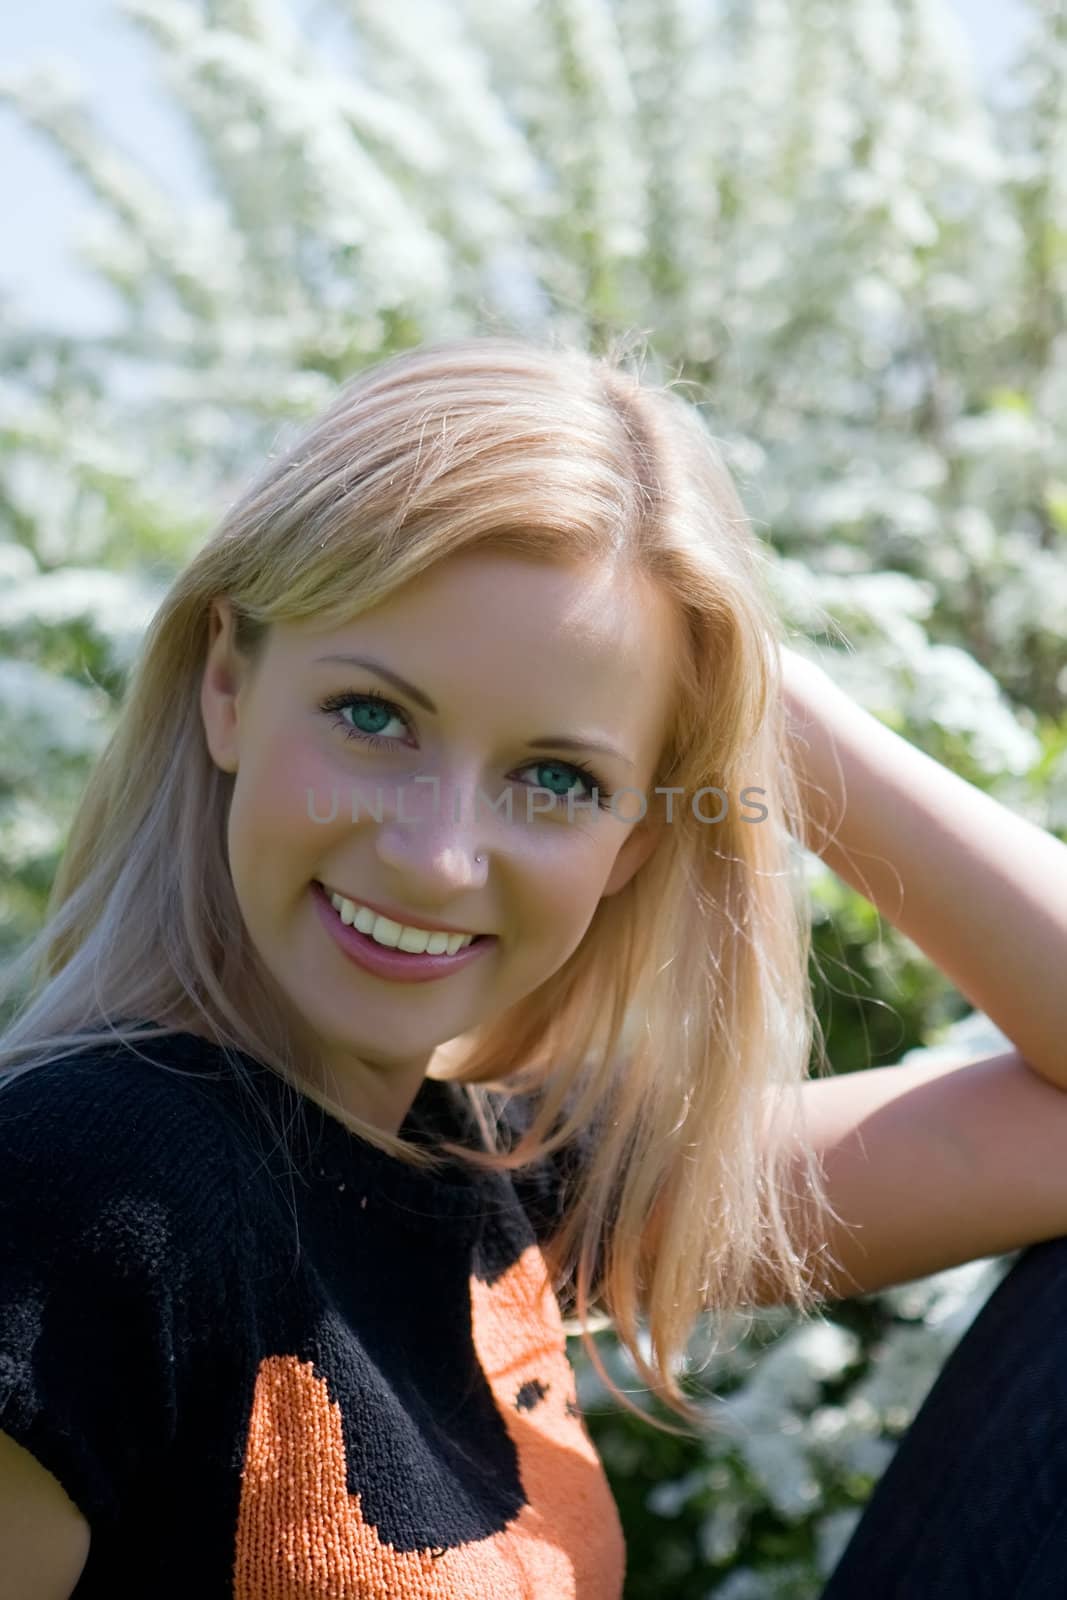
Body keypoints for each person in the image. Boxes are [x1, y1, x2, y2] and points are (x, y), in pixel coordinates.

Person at [1, 334, 1065, 1600]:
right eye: (372, 716)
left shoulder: (494, 1190)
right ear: (229, 681)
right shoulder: (74, 1187)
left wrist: (735, 682)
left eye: (558, 777)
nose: (440, 858)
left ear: (637, 839)